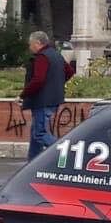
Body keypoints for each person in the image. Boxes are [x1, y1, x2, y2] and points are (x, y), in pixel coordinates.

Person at [20, 30, 75, 160]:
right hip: (54, 99)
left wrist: (23, 94)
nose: (30, 47)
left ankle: (65, 155)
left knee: (40, 134)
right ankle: (32, 162)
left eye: (31, 44)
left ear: (38, 43)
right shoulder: (56, 55)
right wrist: (56, 83)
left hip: (42, 101)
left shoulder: (42, 57)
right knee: (35, 133)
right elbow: (70, 71)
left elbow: (38, 80)